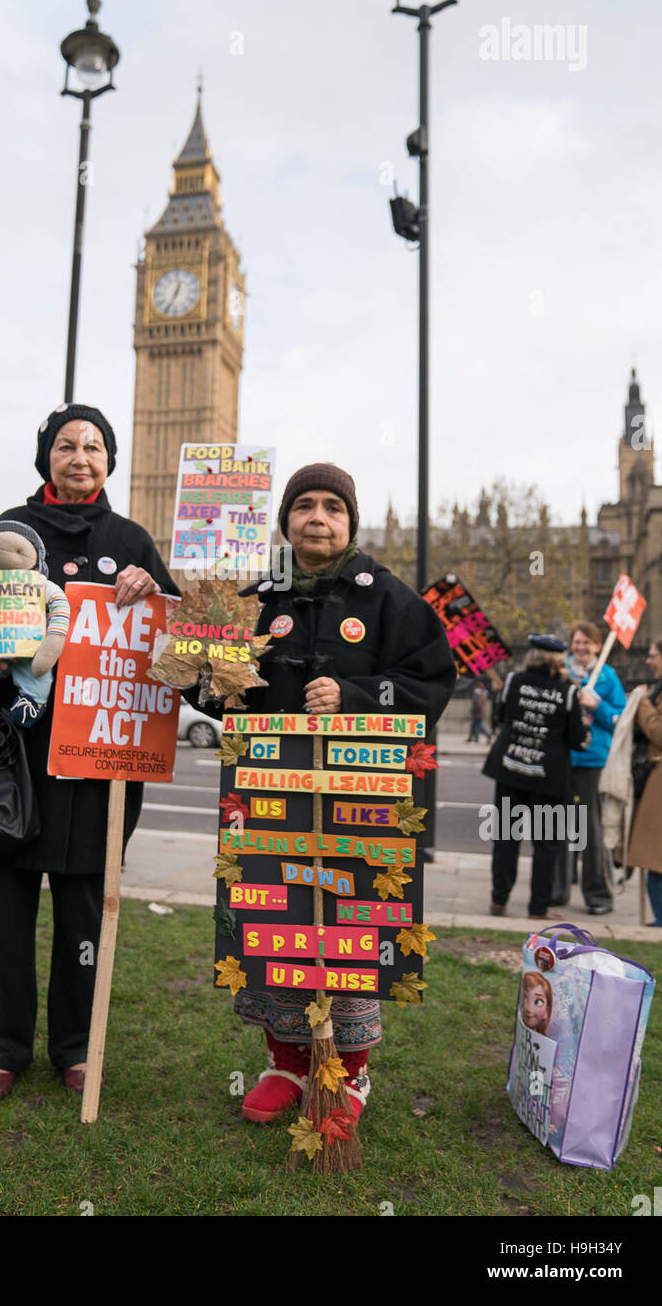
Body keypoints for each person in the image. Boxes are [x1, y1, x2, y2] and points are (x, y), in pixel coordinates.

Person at [225, 463, 456, 1125]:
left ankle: (347, 1075)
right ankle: (285, 1064)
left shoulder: (391, 601)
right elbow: (217, 687)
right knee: (275, 929)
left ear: (350, 521)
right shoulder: (255, 597)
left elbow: (430, 681)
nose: (317, 518)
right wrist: (211, 682)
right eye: (304, 507)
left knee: (348, 931)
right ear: (286, 520)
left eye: (331, 507)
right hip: (270, 794)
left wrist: (355, 696)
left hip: (360, 799)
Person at [0, 403, 179, 1101]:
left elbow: (172, 646)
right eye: (66, 446)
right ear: (46, 457)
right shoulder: (8, 528)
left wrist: (154, 593)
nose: (80, 457)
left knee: (85, 914)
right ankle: (5, 1048)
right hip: (14, 755)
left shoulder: (132, 540)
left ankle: (74, 1046)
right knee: (5, 908)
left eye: (93, 447)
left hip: (97, 766)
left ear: (109, 461)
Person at [483, 634, 588, 921]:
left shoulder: (513, 682)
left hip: (510, 769)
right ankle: (537, 908)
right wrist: (585, 730)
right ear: (557, 659)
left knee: (506, 838)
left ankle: (498, 900)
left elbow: (500, 717)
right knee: (545, 844)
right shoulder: (567, 692)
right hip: (548, 777)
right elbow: (577, 740)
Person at [552, 622, 626, 914]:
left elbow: (618, 720)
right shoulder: (560, 673)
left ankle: (598, 895)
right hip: (563, 759)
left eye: (587, 643)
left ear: (597, 646)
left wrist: (597, 706)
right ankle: (557, 889)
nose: (581, 648)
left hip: (593, 761)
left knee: (590, 830)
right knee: (557, 825)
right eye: (577, 642)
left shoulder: (608, 677)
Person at [626, 635, 662, 927]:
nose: (648, 660)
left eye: (654, 655)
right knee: (658, 857)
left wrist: (642, 702)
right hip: (657, 778)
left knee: (659, 858)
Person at [467, 678, 492, 743]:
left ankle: (485, 737)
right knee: (476, 725)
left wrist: (473, 710)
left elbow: (478, 703)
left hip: (478, 712)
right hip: (479, 712)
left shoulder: (479, 693)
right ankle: (473, 738)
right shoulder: (482, 693)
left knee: (478, 726)